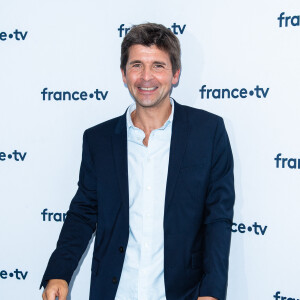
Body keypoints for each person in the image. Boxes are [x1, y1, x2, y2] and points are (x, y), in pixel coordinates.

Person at [41, 23, 235, 300]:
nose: (146, 77)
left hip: (184, 292)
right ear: (123, 74)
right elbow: (83, 212)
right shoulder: (99, 139)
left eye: (158, 65)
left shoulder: (209, 132)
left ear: (176, 73)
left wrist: (212, 292)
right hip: (114, 291)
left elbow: (217, 217)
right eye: (136, 65)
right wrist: (59, 272)